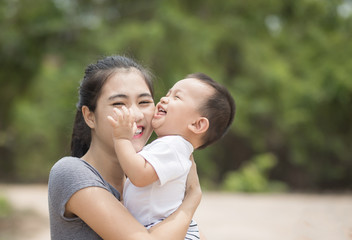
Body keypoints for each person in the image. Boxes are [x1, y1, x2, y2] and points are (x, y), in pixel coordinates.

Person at [48, 55, 202, 240]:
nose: (136, 115)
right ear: (89, 116)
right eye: (119, 103)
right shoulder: (71, 173)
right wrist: (192, 199)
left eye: (144, 102)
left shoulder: (146, 185)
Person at [107, 73, 235, 239]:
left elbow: (139, 175)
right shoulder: (171, 148)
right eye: (168, 93)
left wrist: (122, 138)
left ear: (197, 124)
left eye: (177, 97)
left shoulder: (173, 146)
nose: (164, 99)